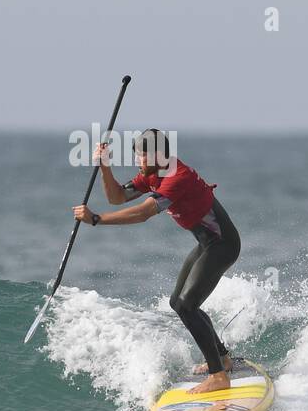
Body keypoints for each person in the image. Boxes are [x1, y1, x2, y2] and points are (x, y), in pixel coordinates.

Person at [73, 129, 241, 395]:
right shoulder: (152, 174)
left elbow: (143, 213)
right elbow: (118, 197)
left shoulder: (177, 177)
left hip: (223, 245)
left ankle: (218, 376)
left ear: (157, 155)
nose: (138, 160)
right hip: (206, 244)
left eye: (141, 155)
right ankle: (222, 359)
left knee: (188, 305)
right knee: (179, 303)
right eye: (137, 155)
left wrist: (97, 220)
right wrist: (105, 167)